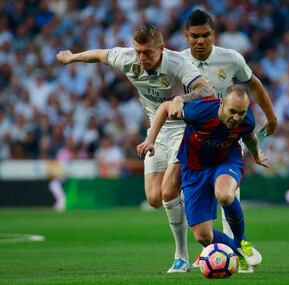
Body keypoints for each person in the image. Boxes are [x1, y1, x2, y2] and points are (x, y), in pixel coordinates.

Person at [56, 24, 215, 272]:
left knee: (167, 192)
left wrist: (180, 99)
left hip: (185, 130)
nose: (142, 57)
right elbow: (99, 55)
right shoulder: (128, 59)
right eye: (138, 51)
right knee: (153, 198)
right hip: (156, 132)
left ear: (161, 49)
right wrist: (71, 57)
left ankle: (181, 256)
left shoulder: (176, 63)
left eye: (147, 53)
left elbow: (207, 89)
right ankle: (194, 190)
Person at [181, 9, 277, 272]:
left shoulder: (231, 59)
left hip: (226, 142)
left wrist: (270, 115)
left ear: (214, 34)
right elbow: (168, 102)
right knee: (167, 197)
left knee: (226, 195)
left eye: (206, 35)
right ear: (186, 36)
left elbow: (254, 84)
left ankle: (239, 246)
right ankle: (192, 253)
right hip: (190, 142)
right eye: (195, 36)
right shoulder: (177, 62)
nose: (200, 41)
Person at [137, 84, 267, 269]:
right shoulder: (201, 111)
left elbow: (250, 138)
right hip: (194, 168)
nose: (237, 118)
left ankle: (242, 242)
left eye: (242, 112)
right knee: (203, 236)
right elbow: (165, 107)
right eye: (232, 111)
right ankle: (237, 253)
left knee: (225, 194)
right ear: (221, 104)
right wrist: (150, 139)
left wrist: (256, 155)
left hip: (226, 161)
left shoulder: (247, 121)